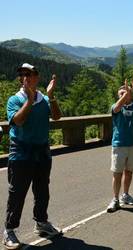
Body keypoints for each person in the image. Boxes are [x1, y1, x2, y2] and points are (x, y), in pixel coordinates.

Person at [3, 63, 62, 249]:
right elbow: (18, 121)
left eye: (30, 74)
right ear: (21, 79)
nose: (26, 77)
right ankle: (9, 231)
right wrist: (29, 100)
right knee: (17, 193)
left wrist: (51, 96)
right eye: (23, 75)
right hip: (21, 153)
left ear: (37, 77)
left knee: (42, 190)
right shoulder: (15, 100)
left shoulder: (44, 99)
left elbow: (57, 117)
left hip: (42, 152)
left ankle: (41, 223)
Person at [107, 78, 133, 213]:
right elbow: (117, 107)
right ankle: (115, 199)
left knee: (129, 172)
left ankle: (126, 195)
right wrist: (125, 94)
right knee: (117, 173)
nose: (123, 94)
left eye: (125, 92)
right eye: (121, 93)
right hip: (119, 144)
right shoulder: (115, 106)